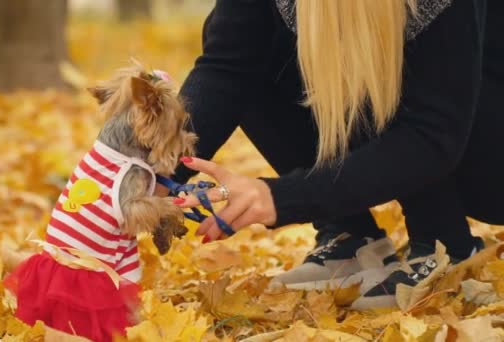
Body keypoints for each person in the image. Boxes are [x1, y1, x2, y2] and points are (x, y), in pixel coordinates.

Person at [170, 0, 503, 309]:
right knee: (254, 36)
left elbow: (433, 132)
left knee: (362, 37)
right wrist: (157, 170)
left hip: (485, 143)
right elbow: (227, 66)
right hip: (431, 120)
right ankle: (350, 237)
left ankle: (444, 243)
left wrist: (280, 198)